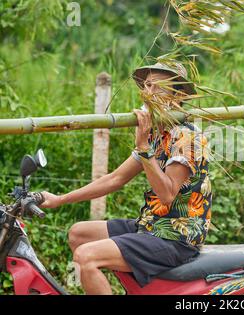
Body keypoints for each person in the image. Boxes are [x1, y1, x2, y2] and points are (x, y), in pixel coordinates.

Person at [40, 62, 212, 294]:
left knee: (86, 257)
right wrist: (60, 199)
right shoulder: (156, 136)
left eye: (157, 88)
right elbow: (115, 179)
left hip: (175, 237)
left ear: (178, 95)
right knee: (79, 234)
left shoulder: (186, 137)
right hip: (150, 226)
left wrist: (142, 147)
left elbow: (168, 194)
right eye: (147, 86)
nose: (148, 93)